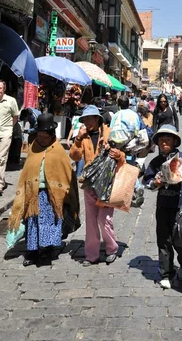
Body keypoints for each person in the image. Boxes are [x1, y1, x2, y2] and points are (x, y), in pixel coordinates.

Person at [8, 113, 79, 266]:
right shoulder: (34, 147)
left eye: (45, 136)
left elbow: (66, 173)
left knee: (48, 222)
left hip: (51, 195)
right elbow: (27, 169)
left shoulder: (58, 150)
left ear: (51, 135)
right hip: (33, 192)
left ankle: (46, 250)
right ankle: (32, 251)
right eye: (39, 135)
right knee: (32, 222)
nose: (42, 138)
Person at [143, 125, 182, 289]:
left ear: (175, 141)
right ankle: (166, 273)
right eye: (161, 139)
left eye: (168, 139)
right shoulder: (156, 162)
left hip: (180, 207)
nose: (164, 142)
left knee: (180, 240)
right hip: (163, 207)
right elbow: (147, 181)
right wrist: (155, 183)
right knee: (163, 240)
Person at [69, 105, 124, 266]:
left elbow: (123, 156)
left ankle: (112, 248)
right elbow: (74, 156)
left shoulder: (109, 132)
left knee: (104, 219)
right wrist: (78, 139)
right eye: (84, 120)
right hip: (89, 183)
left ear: (97, 119)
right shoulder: (83, 136)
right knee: (91, 220)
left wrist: (116, 153)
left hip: (107, 182)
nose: (87, 122)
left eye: (89, 119)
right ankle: (91, 254)